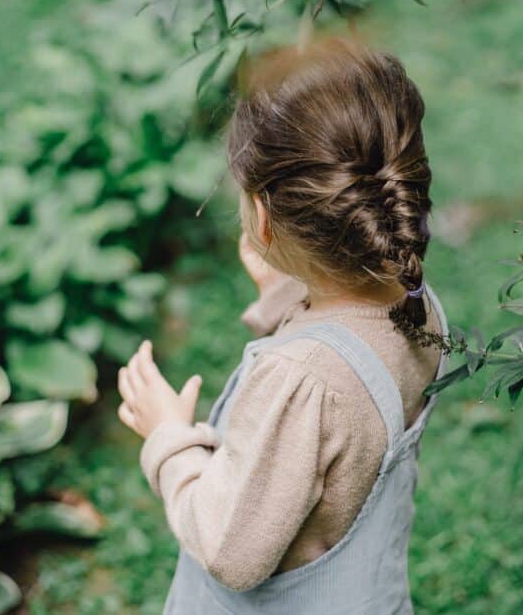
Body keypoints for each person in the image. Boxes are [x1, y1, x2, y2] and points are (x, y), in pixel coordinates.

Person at [116, 36, 453, 614]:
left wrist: (170, 438)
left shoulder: (302, 384)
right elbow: (355, 359)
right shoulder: (416, 303)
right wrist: (283, 296)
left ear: (263, 220)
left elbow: (230, 549)